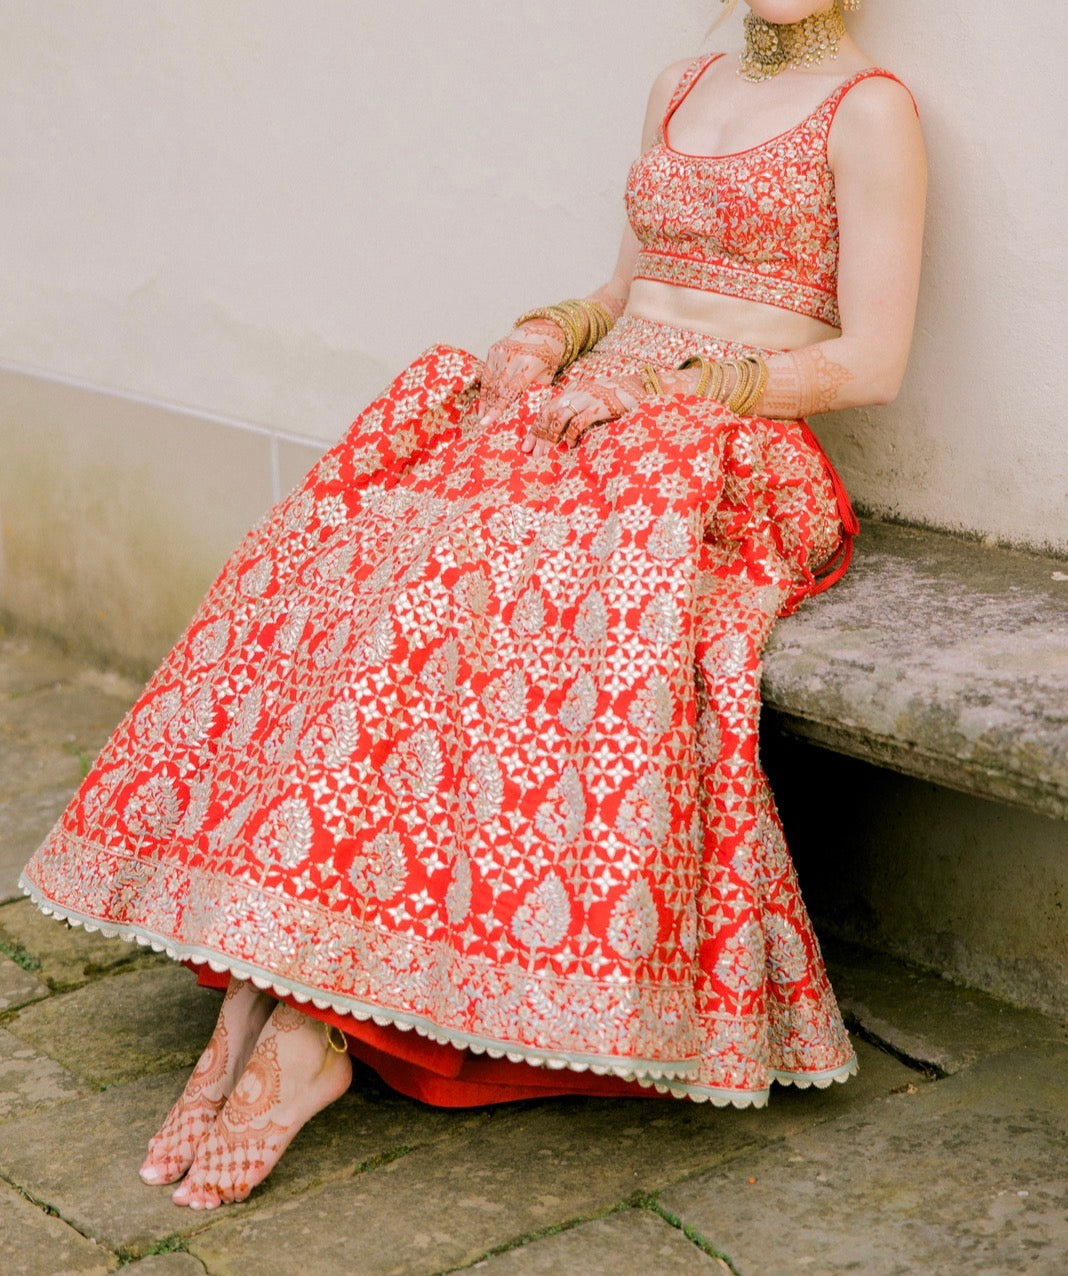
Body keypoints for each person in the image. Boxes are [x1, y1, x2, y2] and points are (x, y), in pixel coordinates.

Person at [20, 0, 926, 1211]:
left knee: (484, 588)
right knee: (375, 555)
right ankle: (275, 978)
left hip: (722, 454)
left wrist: (674, 392)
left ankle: (309, 1022)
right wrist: (548, 336)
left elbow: (873, 360)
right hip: (588, 417)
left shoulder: (870, 112)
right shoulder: (680, 83)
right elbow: (628, 289)